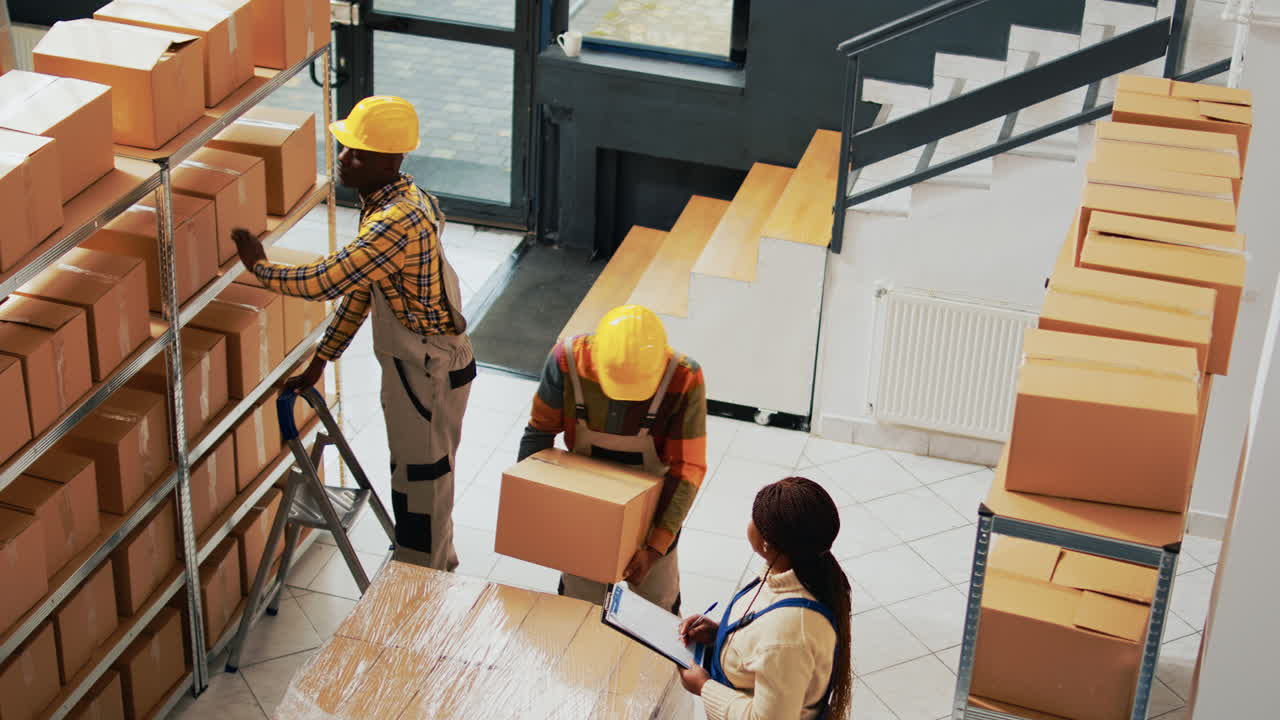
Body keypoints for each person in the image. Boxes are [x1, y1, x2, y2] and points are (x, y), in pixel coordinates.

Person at [232, 95, 475, 571]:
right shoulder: (394, 199)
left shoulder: (395, 221)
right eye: (345, 148)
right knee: (413, 471)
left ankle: (422, 580)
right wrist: (321, 360)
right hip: (419, 365)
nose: (343, 159)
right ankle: (423, 560)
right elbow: (364, 291)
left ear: (391, 161)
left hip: (428, 369)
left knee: (424, 476)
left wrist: (259, 267)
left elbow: (326, 280)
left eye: (357, 153)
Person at [519, 305, 707, 612]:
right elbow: (539, 435)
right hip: (584, 509)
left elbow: (687, 469)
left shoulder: (684, 377)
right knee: (580, 611)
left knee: (654, 615)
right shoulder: (566, 362)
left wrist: (655, 547)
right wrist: (535, 513)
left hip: (653, 512)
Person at [677, 477, 853, 720]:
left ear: (768, 542)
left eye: (755, 520)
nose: (750, 523)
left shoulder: (790, 634)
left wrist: (704, 687)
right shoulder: (795, 573)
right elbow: (768, 649)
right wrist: (722, 637)